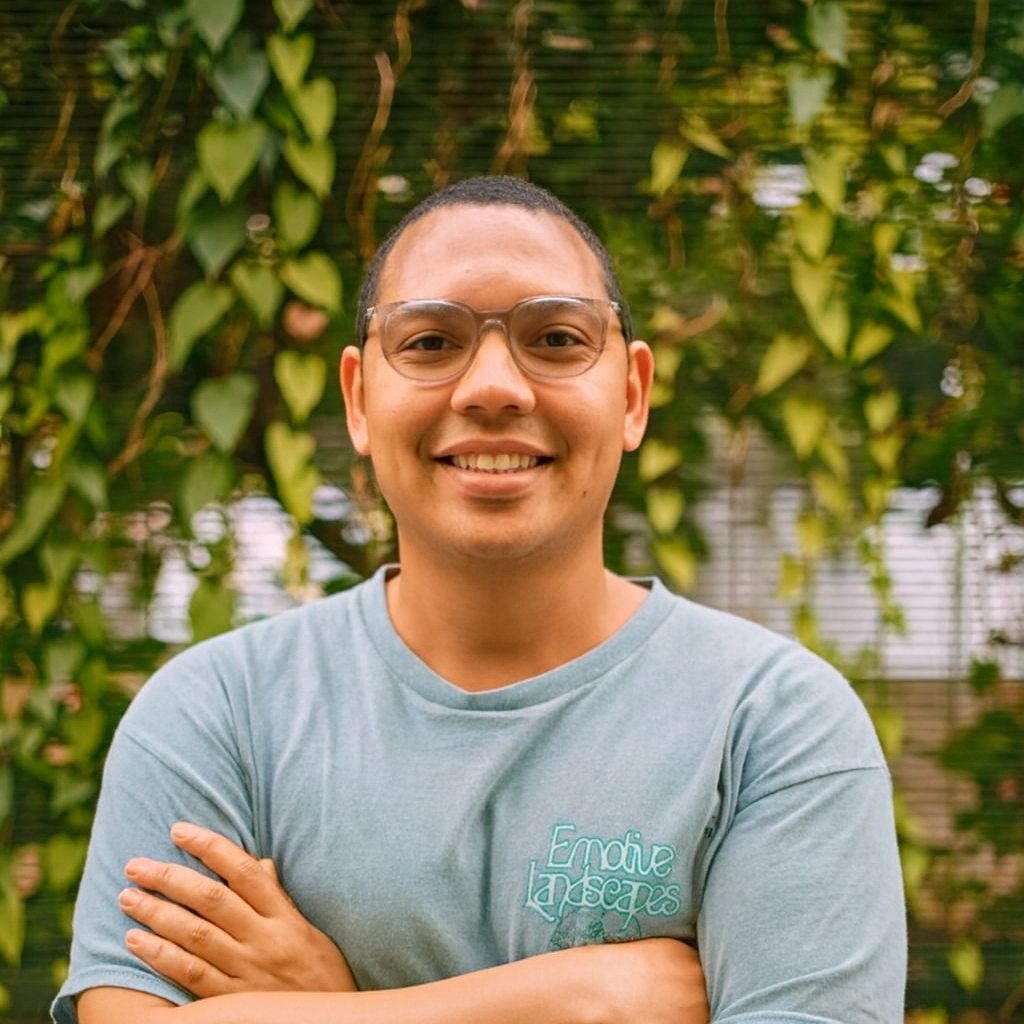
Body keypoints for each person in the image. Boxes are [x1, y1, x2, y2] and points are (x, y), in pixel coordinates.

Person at [52, 175, 906, 1024]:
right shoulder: (218, 714)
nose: (493, 387)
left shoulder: (771, 725)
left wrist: (323, 1009)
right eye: (430, 342)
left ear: (632, 395)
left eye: (557, 338)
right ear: (358, 400)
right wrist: (584, 1001)